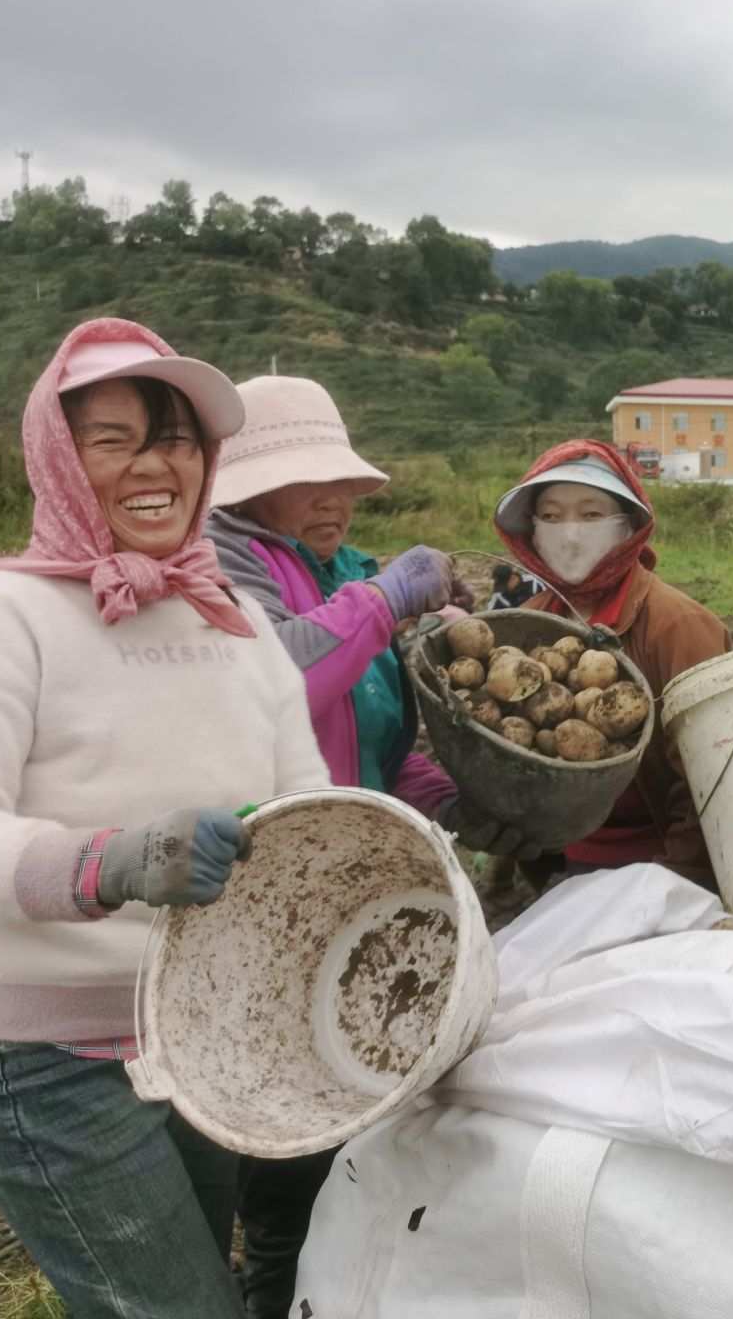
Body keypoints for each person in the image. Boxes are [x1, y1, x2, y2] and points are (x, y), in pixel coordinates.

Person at [0, 319, 330, 1319]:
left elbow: (302, 813)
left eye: (176, 440)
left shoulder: (237, 619)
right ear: (58, 456)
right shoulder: (1, 615)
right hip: (41, 1059)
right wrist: (110, 863)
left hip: (200, 1032)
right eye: (113, 440)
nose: (154, 466)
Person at [202, 374, 470, 1319]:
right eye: (304, 482)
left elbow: (376, 744)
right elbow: (277, 681)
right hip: (270, 888)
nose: (333, 500)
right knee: (289, 1152)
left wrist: (447, 800)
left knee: (365, 1121)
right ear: (244, 489)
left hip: (357, 886)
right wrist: (381, 601)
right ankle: (273, 1294)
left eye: (341, 482)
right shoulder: (216, 569)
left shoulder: (337, 568)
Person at [489, 440, 731, 886]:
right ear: (532, 530)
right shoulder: (526, 626)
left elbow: (713, 781)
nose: (571, 533)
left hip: (658, 867)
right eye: (551, 516)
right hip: (560, 863)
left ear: (628, 527)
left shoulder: (679, 625)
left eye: (591, 514)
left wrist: (668, 885)